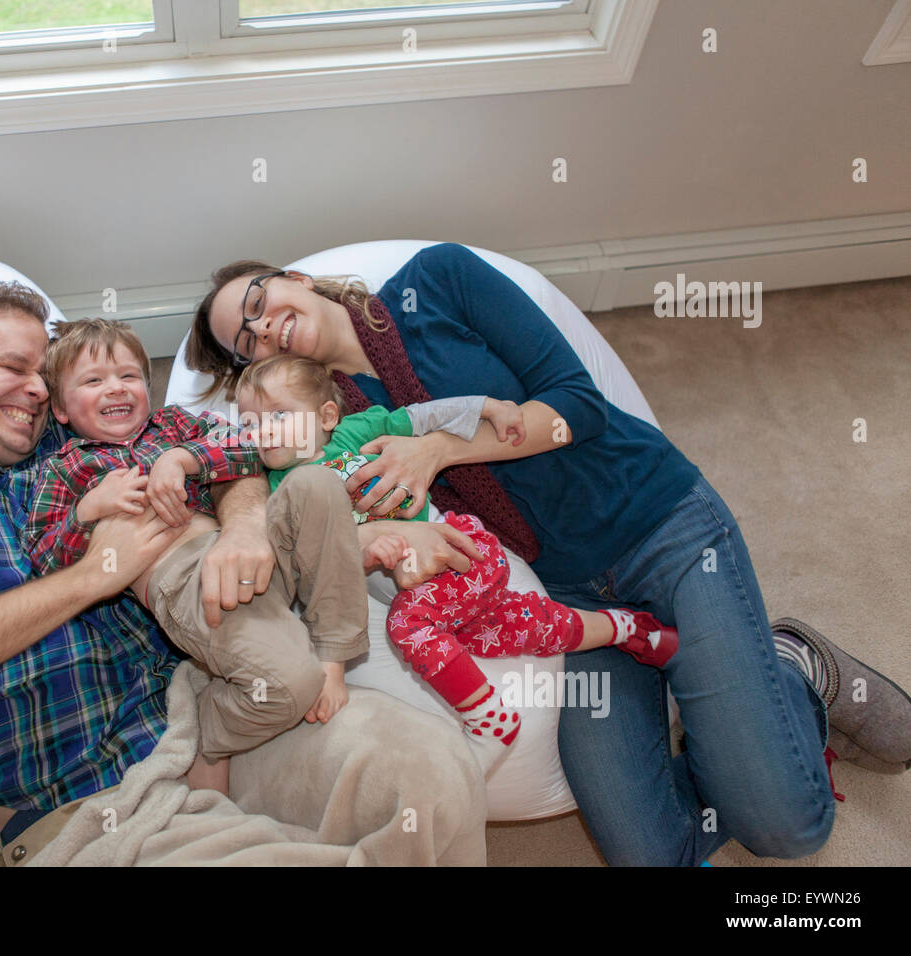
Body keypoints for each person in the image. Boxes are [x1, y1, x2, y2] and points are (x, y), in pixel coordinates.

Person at [187, 243, 911, 866]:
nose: (262, 328)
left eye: (256, 302)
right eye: (245, 342)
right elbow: (245, 478)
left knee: (785, 826)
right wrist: (255, 524)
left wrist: (436, 449)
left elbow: (578, 404)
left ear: (295, 279)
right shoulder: (318, 425)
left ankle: (789, 665)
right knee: (649, 852)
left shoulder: (436, 280)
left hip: (657, 522)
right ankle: (719, 702)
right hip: (564, 597)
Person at [0, 278, 489, 866]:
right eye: (14, 367)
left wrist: (243, 530)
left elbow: (232, 452)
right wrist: (95, 574)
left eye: (43, 373)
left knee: (431, 771)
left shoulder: (74, 436)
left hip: (218, 707)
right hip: (88, 803)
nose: (36, 388)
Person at [234, 353, 679, 768]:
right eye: (249, 422)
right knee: (536, 627)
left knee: (407, 626)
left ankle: (489, 721)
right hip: (440, 598)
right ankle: (631, 629)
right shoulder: (278, 493)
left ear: (327, 417)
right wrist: (364, 549)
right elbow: (310, 561)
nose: (263, 431)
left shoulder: (355, 434)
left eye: (279, 415)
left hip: (461, 552)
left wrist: (488, 407)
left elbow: (422, 416)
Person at [23, 318, 368, 790]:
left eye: (128, 376)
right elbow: (43, 560)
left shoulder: (175, 424)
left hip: (256, 551)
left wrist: (181, 458)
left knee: (317, 482)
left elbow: (248, 444)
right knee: (292, 686)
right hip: (186, 584)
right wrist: (88, 512)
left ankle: (335, 651)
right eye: (93, 380)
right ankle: (205, 726)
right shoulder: (65, 469)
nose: (115, 388)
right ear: (61, 409)